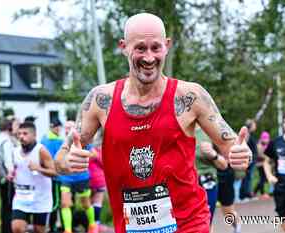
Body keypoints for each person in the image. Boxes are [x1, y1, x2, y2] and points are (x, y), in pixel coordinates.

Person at [55, 13, 252, 233]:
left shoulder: (190, 96)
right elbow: (60, 161)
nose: (149, 58)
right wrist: (68, 162)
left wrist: (241, 154)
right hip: (132, 227)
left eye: (155, 48)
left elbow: (234, 146)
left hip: (188, 223)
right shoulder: (100, 101)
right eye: (140, 48)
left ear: (167, 46)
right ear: (124, 47)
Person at [11, 121, 56, 233]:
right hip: (21, 197)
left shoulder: (41, 151)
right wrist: (11, 174)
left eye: (25, 134)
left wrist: (39, 168)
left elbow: (54, 172)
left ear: (34, 135)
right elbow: (16, 169)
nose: (21, 136)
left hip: (40, 198)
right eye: (19, 134)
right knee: (17, 228)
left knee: (39, 230)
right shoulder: (15, 151)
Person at [59, 121, 98, 233]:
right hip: (66, 178)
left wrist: (82, 157)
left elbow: (94, 155)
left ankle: (92, 225)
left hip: (81, 177)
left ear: (75, 130)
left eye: (69, 128)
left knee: (85, 204)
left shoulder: (83, 141)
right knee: (65, 204)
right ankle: (67, 230)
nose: (67, 130)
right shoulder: (63, 143)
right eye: (65, 128)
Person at [196, 126, 227, 231]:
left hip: (207, 181)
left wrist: (213, 154)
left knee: (206, 221)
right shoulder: (176, 128)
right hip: (185, 183)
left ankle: (237, 226)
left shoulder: (210, 131)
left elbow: (224, 165)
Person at [0, 119, 17, 233]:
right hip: (7, 177)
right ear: (9, 128)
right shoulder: (6, 141)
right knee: (9, 205)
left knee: (4, 204)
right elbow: (8, 160)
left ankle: (4, 228)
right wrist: (11, 174)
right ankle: (8, 229)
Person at [41, 118, 64, 233]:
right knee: (55, 203)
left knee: (48, 202)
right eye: (59, 127)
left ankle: (48, 226)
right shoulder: (58, 141)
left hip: (44, 176)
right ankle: (52, 228)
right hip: (55, 177)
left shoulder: (43, 140)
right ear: (57, 127)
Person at [239, 119, 258, 200]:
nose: (255, 126)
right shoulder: (246, 134)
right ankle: (245, 194)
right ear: (250, 126)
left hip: (252, 159)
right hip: (248, 159)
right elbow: (243, 144)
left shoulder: (250, 134)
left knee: (248, 176)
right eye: (254, 125)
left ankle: (246, 193)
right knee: (247, 176)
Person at [254, 131, 271, 199]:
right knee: (262, 178)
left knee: (264, 178)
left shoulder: (266, 144)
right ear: (262, 138)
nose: (267, 140)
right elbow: (260, 154)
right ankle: (262, 193)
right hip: (260, 164)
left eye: (268, 138)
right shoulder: (259, 145)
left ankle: (255, 192)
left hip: (265, 164)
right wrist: (267, 157)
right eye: (266, 138)